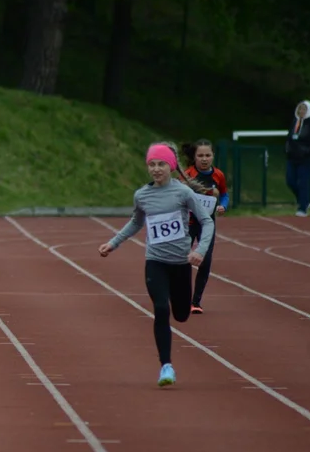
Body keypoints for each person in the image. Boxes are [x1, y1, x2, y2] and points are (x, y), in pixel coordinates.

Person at [98, 142, 214, 388]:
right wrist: (113, 243)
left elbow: (207, 221)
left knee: (181, 315)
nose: (156, 169)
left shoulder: (183, 193)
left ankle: (178, 312)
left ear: (171, 166)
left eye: (161, 164)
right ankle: (166, 366)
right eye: (152, 165)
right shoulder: (142, 195)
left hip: (181, 263)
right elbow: (135, 223)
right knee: (161, 309)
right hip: (155, 262)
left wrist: (200, 250)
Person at [181, 139, 228, 314]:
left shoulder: (218, 175)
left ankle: (196, 301)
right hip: (188, 222)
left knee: (205, 260)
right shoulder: (187, 174)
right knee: (182, 259)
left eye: (207, 155)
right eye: (200, 155)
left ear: (213, 156)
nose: (204, 159)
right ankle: (181, 296)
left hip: (207, 223)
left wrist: (223, 205)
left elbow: (224, 195)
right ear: (194, 157)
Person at [285, 99, 310, 217]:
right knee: (290, 180)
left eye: (304, 109)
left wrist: (308, 151)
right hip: (293, 157)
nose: (301, 111)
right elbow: (290, 138)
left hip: (306, 158)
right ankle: (304, 200)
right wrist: (287, 149)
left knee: (303, 182)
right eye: (300, 109)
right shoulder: (294, 122)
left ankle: (303, 207)